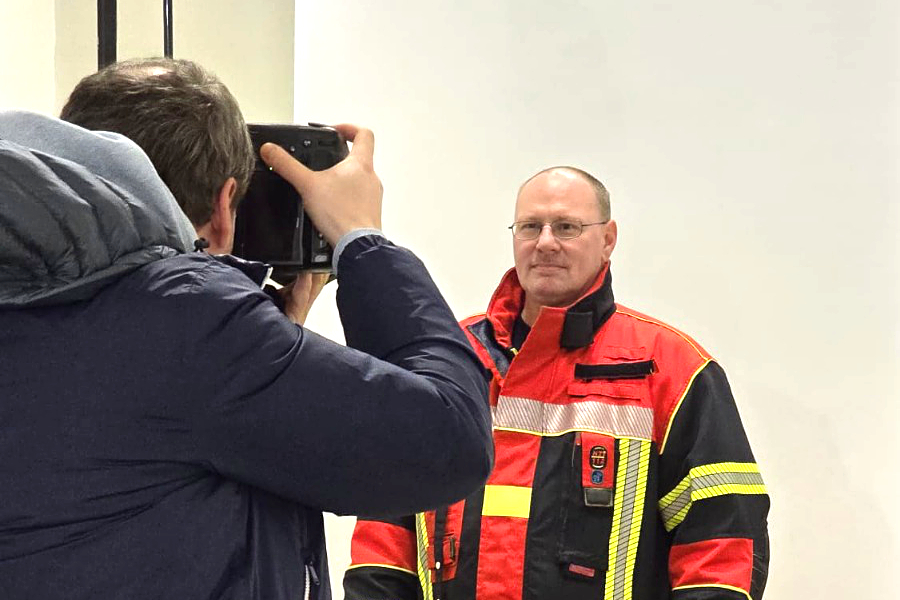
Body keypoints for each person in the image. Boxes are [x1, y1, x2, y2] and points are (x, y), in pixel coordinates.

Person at [0, 58, 493, 600]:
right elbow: (448, 442)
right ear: (222, 206)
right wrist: (362, 238)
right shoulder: (188, 322)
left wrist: (273, 341)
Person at [344, 167, 770, 600]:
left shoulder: (670, 369)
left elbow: (722, 546)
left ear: (608, 239)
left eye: (567, 227)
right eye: (530, 226)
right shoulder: (447, 359)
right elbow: (385, 537)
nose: (545, 242)